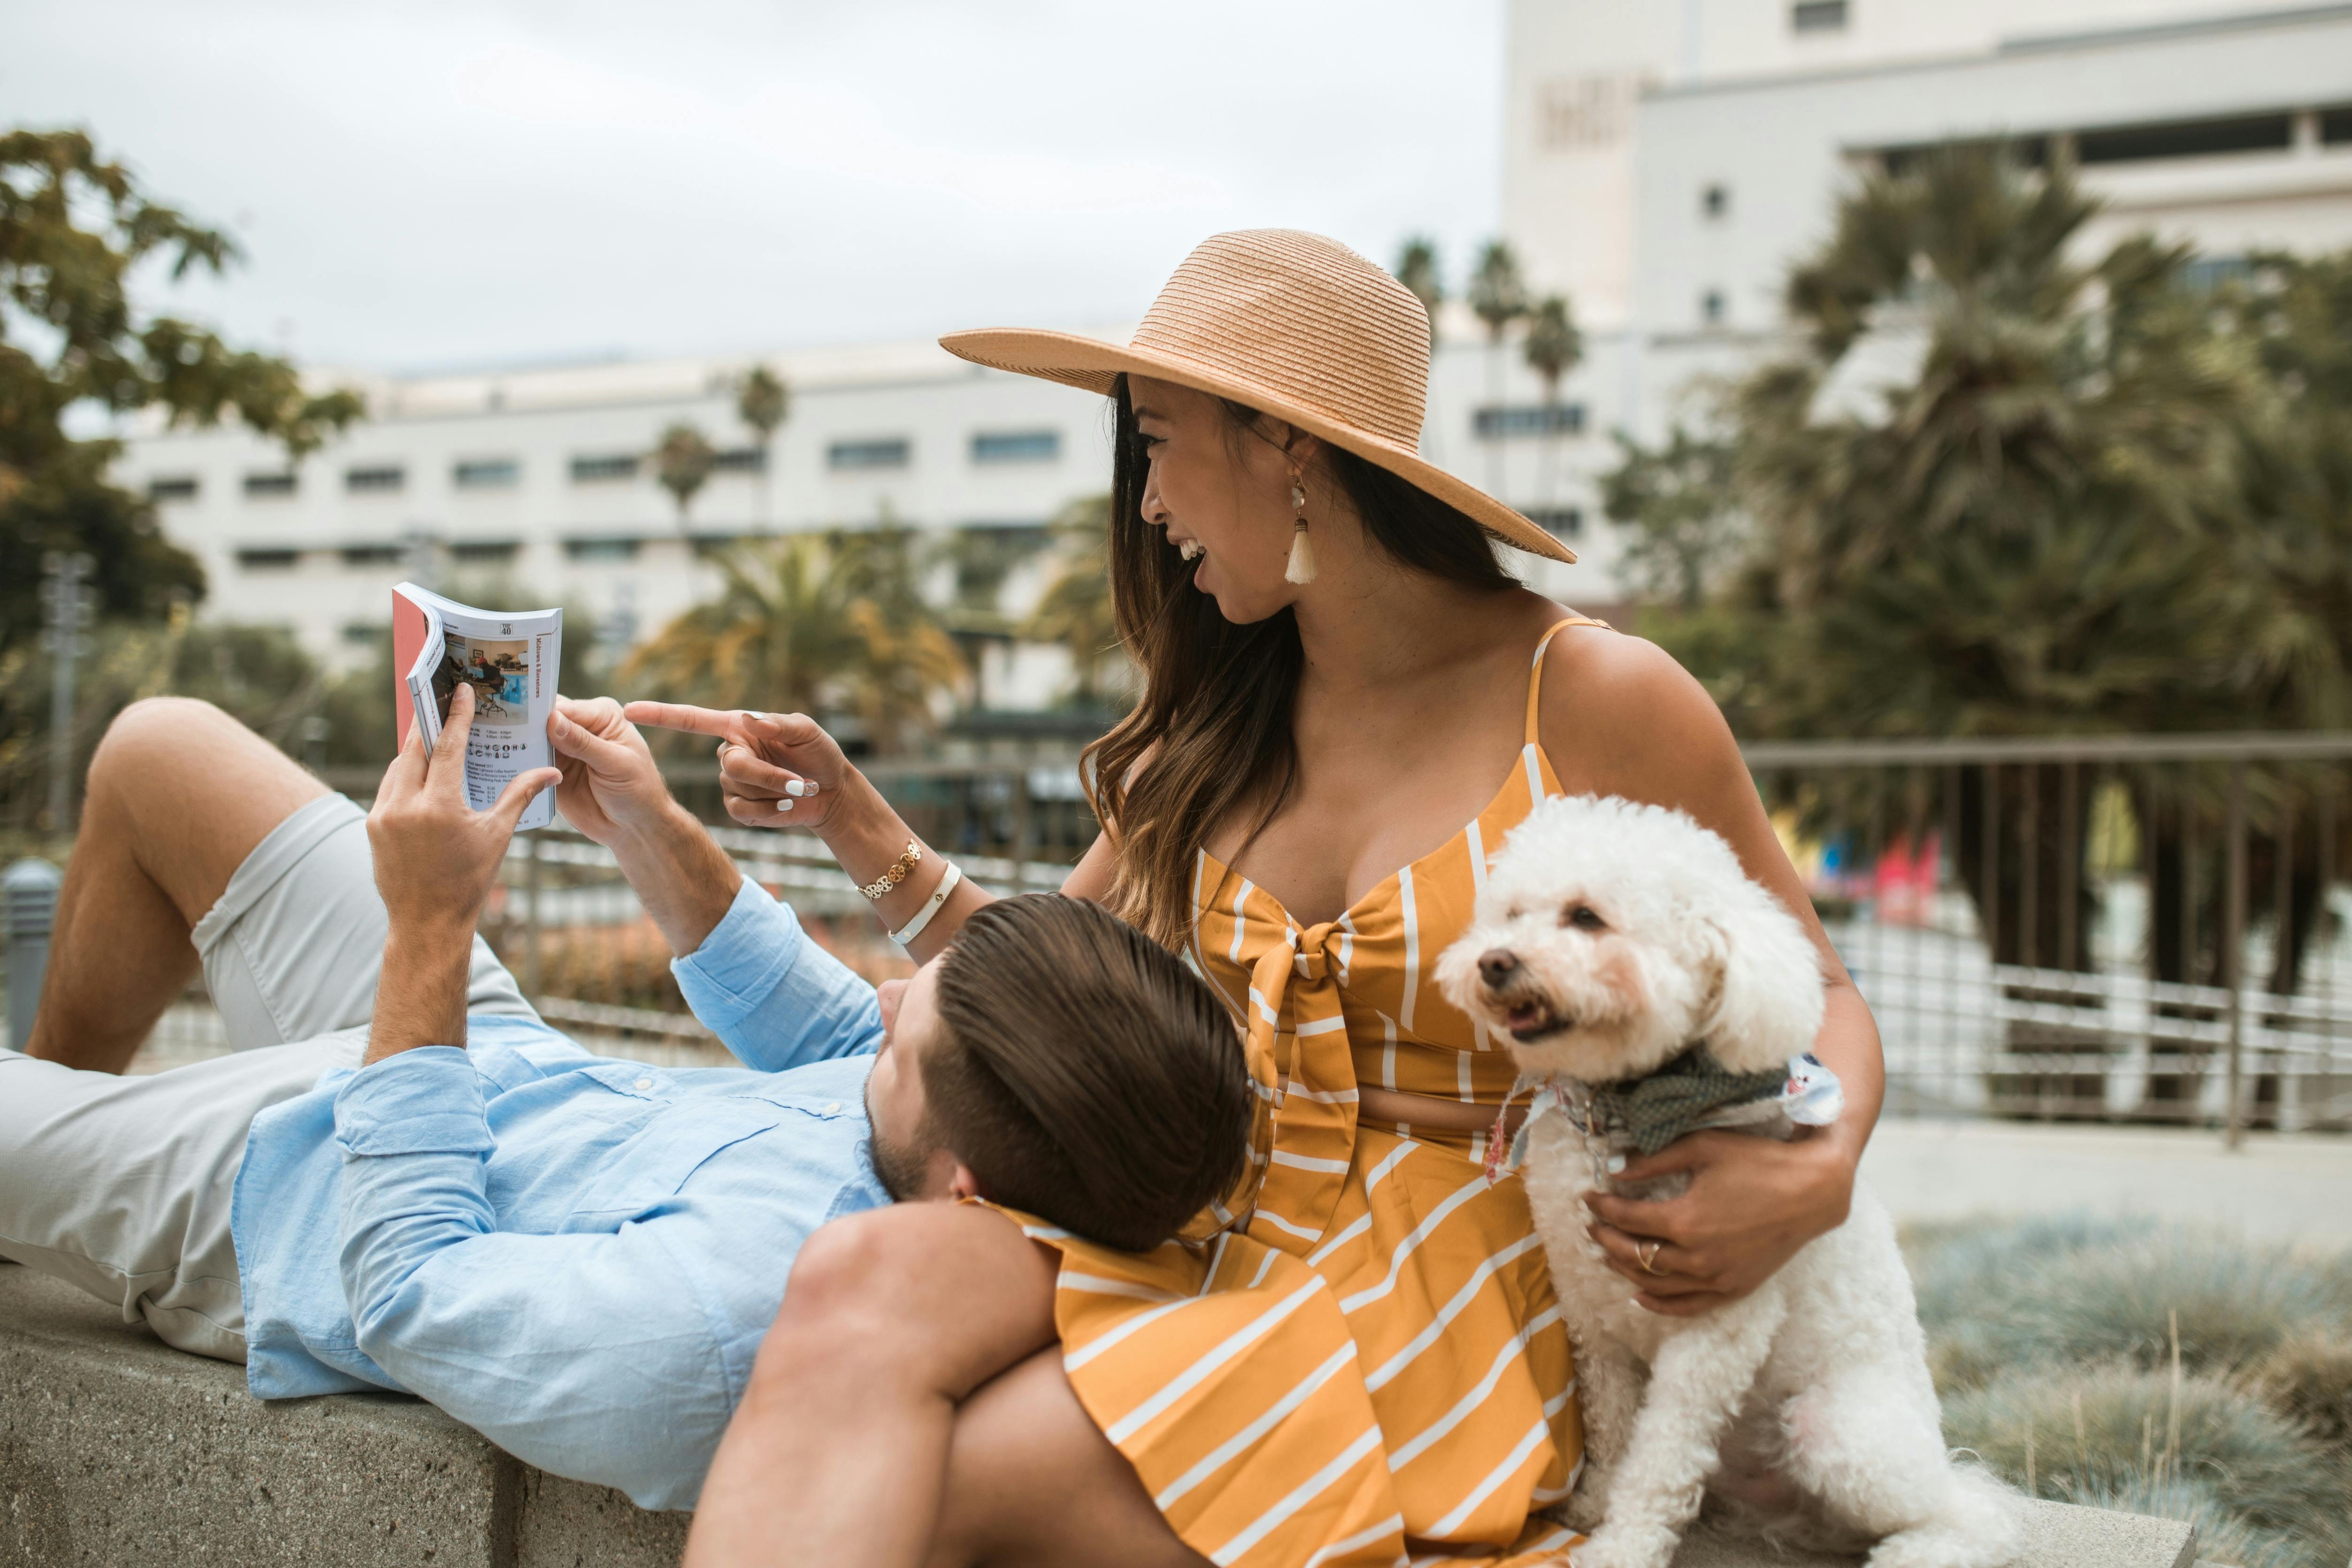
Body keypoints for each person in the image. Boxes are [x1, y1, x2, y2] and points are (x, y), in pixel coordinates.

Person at [647, 230, 1889, 1568]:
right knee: (855, 1280)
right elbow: (1049, 988)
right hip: (1193, 1214)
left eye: (1160, 442)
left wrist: (1812, 1171)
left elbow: (1812, 989)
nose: (1145, 503)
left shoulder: (1590, 694)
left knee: (948, 1481)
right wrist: (852, 817)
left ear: (1282, 445)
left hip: (1447, 1294)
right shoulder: (1220, 714)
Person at [0, 684, 1250, 1511]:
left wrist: (431, 926)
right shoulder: (985, 1146)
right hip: (495, 1061)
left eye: (900, 1036)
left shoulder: (707, 1336)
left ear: (962, 1187)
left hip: (285, 1196)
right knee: (162, 748)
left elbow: (408, 1291)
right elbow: (829, 1030)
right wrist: (646, 826)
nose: (876, 1004)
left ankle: (54, 1165)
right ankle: (39, 1178)